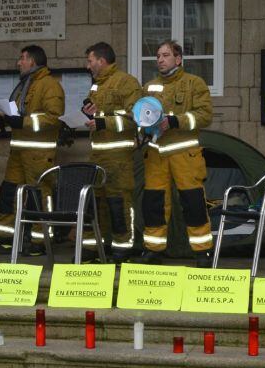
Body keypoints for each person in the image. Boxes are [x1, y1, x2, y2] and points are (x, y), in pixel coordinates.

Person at [136, 40, 214, 267]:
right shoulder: (149, 87)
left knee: (193, 203)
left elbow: (205, 115)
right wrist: (142, 128)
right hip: (155, 156)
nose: (160, 59)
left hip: (185, 154)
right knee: (154, 204)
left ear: (178, 59)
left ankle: (202, 252)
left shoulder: (194, 83)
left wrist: (174, 121)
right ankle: (153, 250)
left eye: (166, 55)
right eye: (158, 56)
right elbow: (142, 116)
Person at [0, 45, 63, 253]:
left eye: (22, 58)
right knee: (9, 191)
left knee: (40, 195)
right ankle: (5, 235)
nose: (19, 62)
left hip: (39, 154)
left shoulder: (50, 86)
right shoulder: (25, 85)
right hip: (19, 151)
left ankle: (41, 240)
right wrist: (2, 121)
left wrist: (22, 122)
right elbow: (18, 115)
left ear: (33, 61)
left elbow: (53, 118)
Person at [82, 42, 142, 260]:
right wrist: (92, 115)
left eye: (90, 61)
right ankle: (95, 248)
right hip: (97, 156)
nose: (87, 66)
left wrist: (102, 121)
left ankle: (122, 248)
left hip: (119, 158)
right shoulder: (97, 85)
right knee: (97, 204)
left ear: (101, 60)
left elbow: (134, 120)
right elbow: (101, 115)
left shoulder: (127, 83)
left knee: (119, 203)